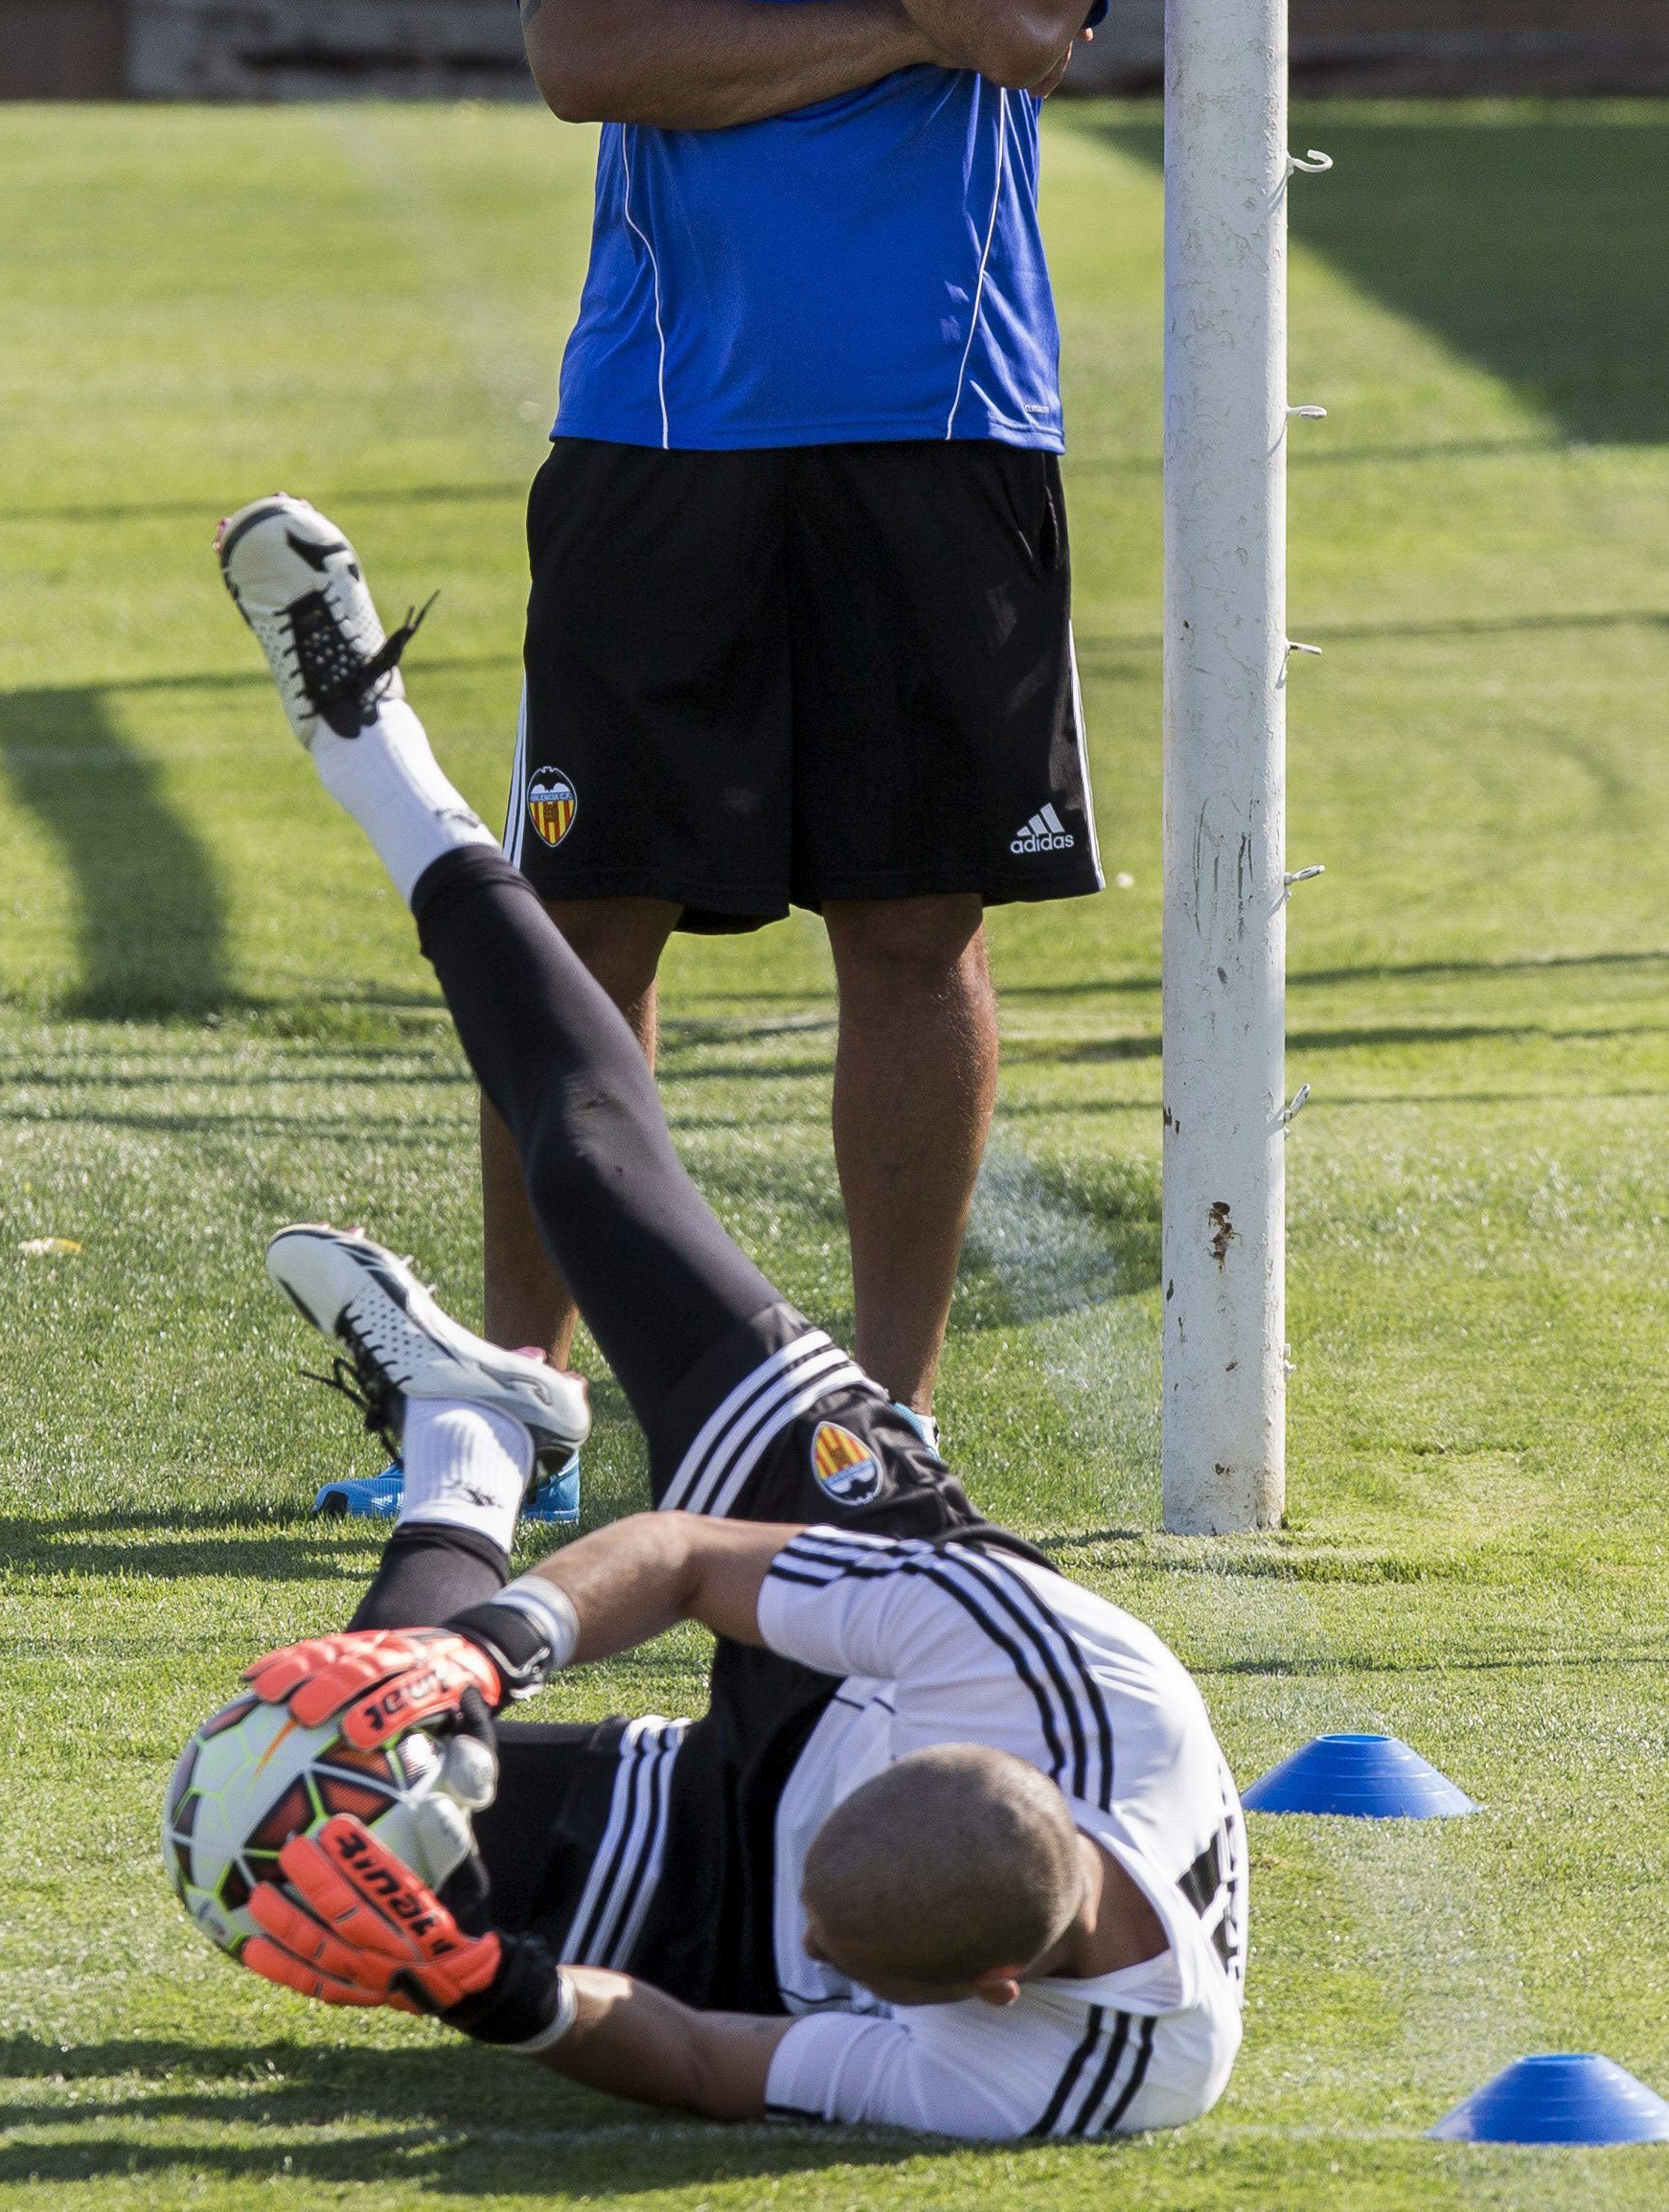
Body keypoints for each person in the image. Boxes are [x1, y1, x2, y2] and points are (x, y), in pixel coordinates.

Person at [208, 494, 1243, 2140]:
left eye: (847, 1957)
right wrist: (485, 1658)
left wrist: (502, 1992)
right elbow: (693, 1560)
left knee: (283, 1830)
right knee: (603, 1178)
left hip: (716, 1881)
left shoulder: (1070, 2072)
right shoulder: (1026, 1661)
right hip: (873, 1636)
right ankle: (376, 751)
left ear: (982, 1994)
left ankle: (465, 1449)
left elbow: (706, 2055)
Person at [492, 0, 1131, 1476]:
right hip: (663, 419)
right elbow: (590, 59)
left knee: (912, 919)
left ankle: (890, 1412)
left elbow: (1028, 27)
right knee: (582, 927)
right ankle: (524, 1400)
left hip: (941, 418)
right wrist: (899, 23)